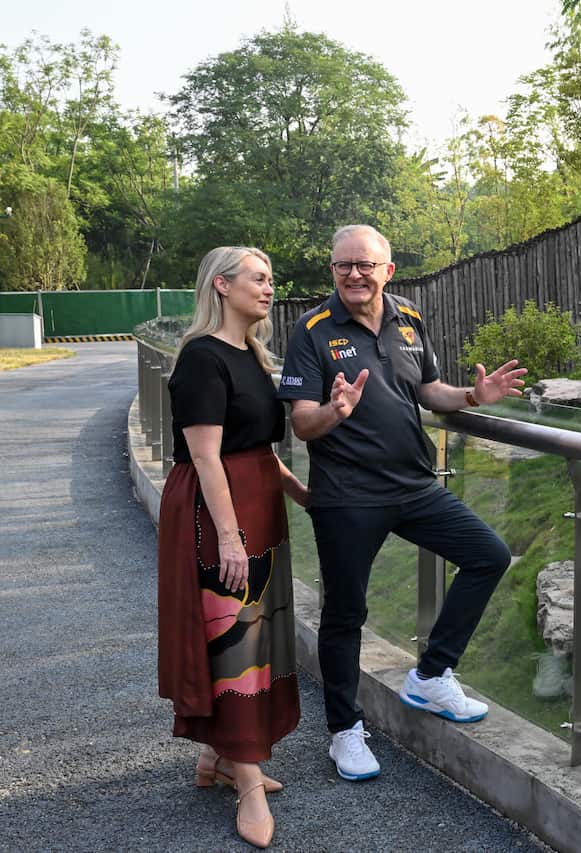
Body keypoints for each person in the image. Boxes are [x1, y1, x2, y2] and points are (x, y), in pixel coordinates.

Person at [279, 224, 525, 782]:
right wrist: (333, 413)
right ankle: (345, 731)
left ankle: (431, 675)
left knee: (488, 554)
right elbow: (301, 421)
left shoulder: (408, 317)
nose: (354, 275)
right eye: (343, 266)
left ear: (388, 270)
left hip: (414, 485)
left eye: (365, 265)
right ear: (333, 272)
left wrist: (471, 397)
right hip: (346, 498)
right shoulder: (312, 329)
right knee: (346, 614)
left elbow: (427, 390)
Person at [157, 246, 309, 849]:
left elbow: (260, 444)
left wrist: (300, 493)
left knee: (258, 633)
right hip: (218, 509)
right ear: (221, 285)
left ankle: (220, 760)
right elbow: (204, 454)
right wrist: (228, 535)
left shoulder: (253, 354)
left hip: (260, 502)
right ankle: (244, 780)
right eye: (258, 279)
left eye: (272, 278)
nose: (269, 288)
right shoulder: (201, 357)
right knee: (232, 637)